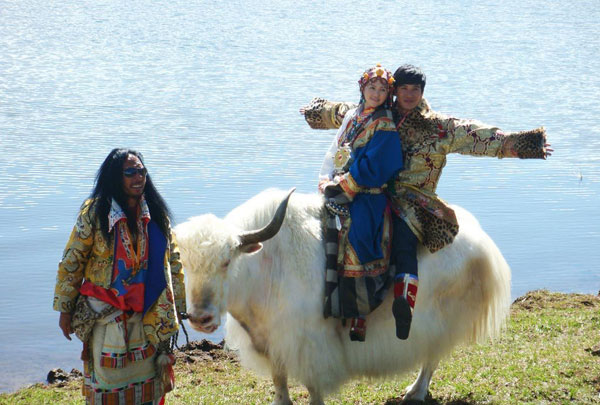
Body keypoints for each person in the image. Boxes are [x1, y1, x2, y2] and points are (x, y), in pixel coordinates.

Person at [302, 64, 552, 340]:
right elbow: (343, 112)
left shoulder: (439, 127)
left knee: (403, 242)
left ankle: (404, 305)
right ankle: (340, 304)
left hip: (415, 201)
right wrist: (316, 111)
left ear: (422, 92)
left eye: (415, 90)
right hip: (371, 192)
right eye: (404, 89)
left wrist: (527, 144)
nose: (409, 95)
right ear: (394, 90)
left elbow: (477, 135)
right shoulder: (380, 111)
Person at [53, 148, 186, 405]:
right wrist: (65, 309)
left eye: (142, 171)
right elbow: (72, 262)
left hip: (149, 316)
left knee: (149, 389)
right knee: (108, 390)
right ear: (116, 177)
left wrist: (178, 307)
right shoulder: (94, 214)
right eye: (130, 172)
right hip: (106, 318)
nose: (138, 177)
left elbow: (174, 262)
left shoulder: (157, 216)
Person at [318, 64, 403, 342]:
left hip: (367, 193)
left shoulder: (385, 123)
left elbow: (377, 163)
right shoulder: (353, 116)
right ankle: (333, 304)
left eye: (382, 89)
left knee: (358, 239)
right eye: (371, 88)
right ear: (362, 88)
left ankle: (360, 315)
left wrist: (344, 186)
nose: (376, 94)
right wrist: (325, 178)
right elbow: (336, 150)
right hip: (340, 185)